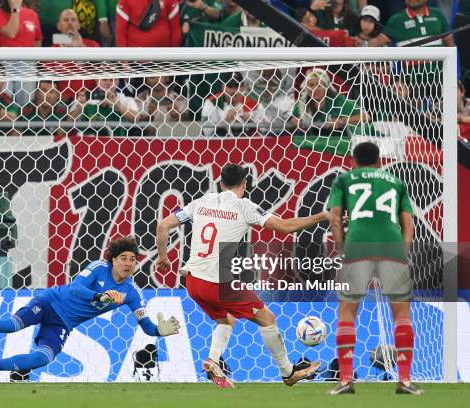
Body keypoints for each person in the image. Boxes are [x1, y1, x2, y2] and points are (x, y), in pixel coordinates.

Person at [155, 164, 327, 388]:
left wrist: (163, 257)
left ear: (221, 183)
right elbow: (285, 227)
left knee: (226, 319)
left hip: (192, 282)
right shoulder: (244, 206)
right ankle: (288, 373)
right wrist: (323, 215)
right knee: (267, 319)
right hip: (217, 283)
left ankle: (213, 360)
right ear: (245, 184)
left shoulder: (201, 202)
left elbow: (163, 225)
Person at [0, 236, 180, 383]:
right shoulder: (98, 268)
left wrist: (159, 331)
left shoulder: (132, 294)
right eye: (123, 258)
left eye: (133, 259)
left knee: (44, 358)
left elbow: (145, 326)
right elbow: (75, 289)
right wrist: (100, 295)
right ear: (112, 259)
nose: (128, 263)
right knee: (11, 325)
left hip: (62, 324)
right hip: (49, 303)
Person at [327, 141, 422, 395]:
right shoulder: (396, 182)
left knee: (347, 314)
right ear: (380, 161)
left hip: (357, 248)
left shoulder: (345, 180)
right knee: (402, 316)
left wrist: (341, 248)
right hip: (393, 249)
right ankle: (405, 381)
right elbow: (408, 223)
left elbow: (335, 218)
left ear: (353, 161)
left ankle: (346, 380)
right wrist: (404, 252)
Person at [289, 68, 371, 138]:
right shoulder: (303, 102)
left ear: (326, 87)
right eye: (311, 85)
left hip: (337, 142)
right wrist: (295, 121)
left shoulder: (338, 101)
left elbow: (366, 117)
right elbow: (292, 118)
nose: (314, 89)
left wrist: (343, 121)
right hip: (315, 142)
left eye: (319, 85)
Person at [68, 78, 139, 136]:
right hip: (87, 143)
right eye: (104, 79)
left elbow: (136, 118)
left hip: (116, 144)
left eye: (112, 80)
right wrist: (79, 109)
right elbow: (68, 123)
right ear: (97, 81)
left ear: (117, 82)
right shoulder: (85, 98)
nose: (108, 83)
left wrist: (118, 105)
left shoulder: (126, 100)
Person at [116, 0, 182, 47]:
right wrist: (124, 60)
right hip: (136, 57)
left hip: (163, 56)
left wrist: (173, 57)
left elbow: (175, 28)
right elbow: (120, 31)